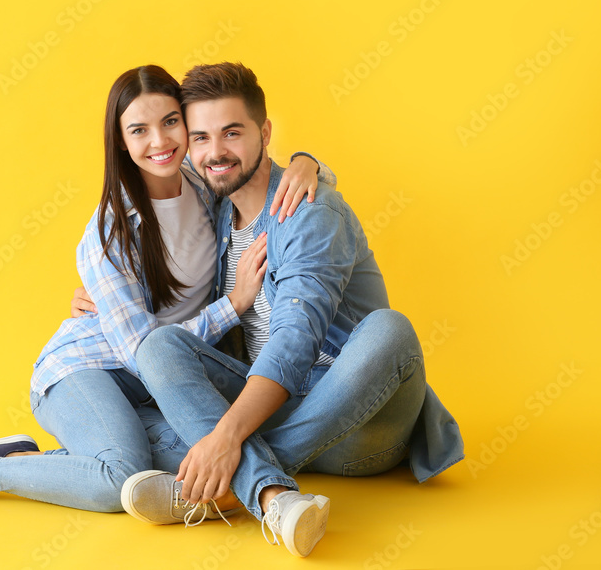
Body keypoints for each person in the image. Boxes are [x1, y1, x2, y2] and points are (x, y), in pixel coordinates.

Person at [0, 65, 337, 514]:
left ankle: (24, 456)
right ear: (121, 140)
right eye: (139, 130)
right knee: (120, 476)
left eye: (170, 122)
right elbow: (146, 352)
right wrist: (232, 305)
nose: (159, 142)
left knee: (206, 458)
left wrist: (307, 163)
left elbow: (256, 172)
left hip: (159, 385)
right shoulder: (108, 234)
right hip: (84, 370)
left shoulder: (204, 186)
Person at [101, 62, 463, 557]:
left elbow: (296, 340)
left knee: (389, 331)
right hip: (272, 405)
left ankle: (225, 488)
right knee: (160, 346)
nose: (215, 153)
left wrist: (225, 434)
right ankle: (268, 490)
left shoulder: (310, 212)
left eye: (233, 133)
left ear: (265, 132)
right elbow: (139, 198)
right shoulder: (217, 208)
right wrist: (95, 284)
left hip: (359, 423)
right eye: (201, 137)